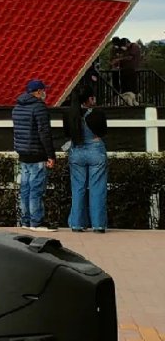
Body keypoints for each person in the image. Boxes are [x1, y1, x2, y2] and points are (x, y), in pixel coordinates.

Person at [12, 79, 56, 232]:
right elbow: (44, 132)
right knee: (36, 190)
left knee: (24, 189)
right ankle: (36, 222)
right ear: (38, 92)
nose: (45, 93)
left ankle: (25, 221)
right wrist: (51, 155)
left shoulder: (17, 107)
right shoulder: (39, 108)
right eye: (44, 90)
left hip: (23, 154)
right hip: (37, 153)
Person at [64, 84, 109, 233]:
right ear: (89, 99)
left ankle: (77, 223)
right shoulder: (98, 114)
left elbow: (67, 133)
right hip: (95, 150)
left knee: (78, 188)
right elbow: (103, 132)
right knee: (97, 188)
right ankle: (98, 224)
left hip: (76, 151)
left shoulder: (69, 114)